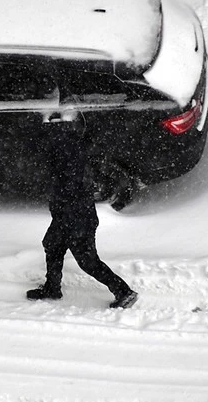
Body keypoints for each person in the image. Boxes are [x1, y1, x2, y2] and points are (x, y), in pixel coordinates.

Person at [26, 114, 138, 309]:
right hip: (68, 214)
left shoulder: (66, 153)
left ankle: (124, 292)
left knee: (88, 261)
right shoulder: (69, 145)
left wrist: (63, 204)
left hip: (77, 217)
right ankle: (52, 288)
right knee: (52, 244)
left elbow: (70, 186)